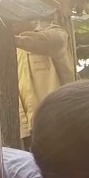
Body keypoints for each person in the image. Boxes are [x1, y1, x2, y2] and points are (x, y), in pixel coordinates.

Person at [14, 20, 76, 149]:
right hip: (25, 128)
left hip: (55, 121)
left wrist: (17, 41)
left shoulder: (54, 32)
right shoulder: (8, 46)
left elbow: (57, 43)